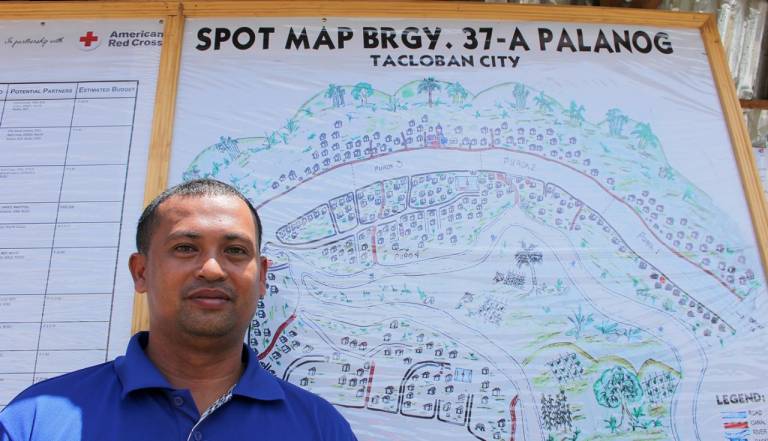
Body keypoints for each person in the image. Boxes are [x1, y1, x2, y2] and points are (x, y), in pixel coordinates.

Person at [0, 179, 358, 441]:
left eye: (235, 251)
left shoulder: (320, 428)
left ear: (262, 277)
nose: (213, 270)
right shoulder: (35, 421)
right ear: (141, 272)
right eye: (186, 248)